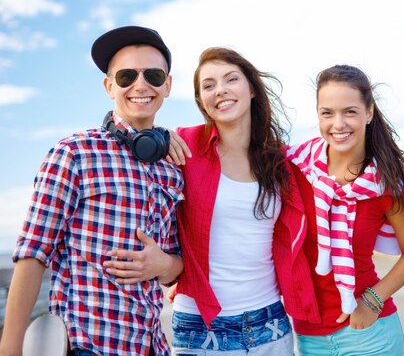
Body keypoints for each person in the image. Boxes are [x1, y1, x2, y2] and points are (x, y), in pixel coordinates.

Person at [0, 25, 184, 356]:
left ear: (167, 85)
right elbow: (33, 253)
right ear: (109, 85)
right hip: (86, 346)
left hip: (153, 347)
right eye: (127, 76)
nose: (140, 85)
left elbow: (175, 266)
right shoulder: (74, 153)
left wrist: (164, 266)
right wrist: (10, 348)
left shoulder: (172, 169)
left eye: (153, 75)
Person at [167, 47, 319, 355]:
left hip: (270, 323)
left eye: (230, 79)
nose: (219, 90)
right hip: (201, 327)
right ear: (202, 102)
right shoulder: (183, 146)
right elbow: (125, 144)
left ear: (250, 88)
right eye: (208, 85)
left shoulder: (280, 160)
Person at [287, 65, 404, 356]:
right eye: (327, 113)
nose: (338, 124)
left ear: (369, 112)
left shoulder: (386, 183)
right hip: (309, 337)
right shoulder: (295, 168)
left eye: (349, 111)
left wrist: (373, 301)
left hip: (370, 334)